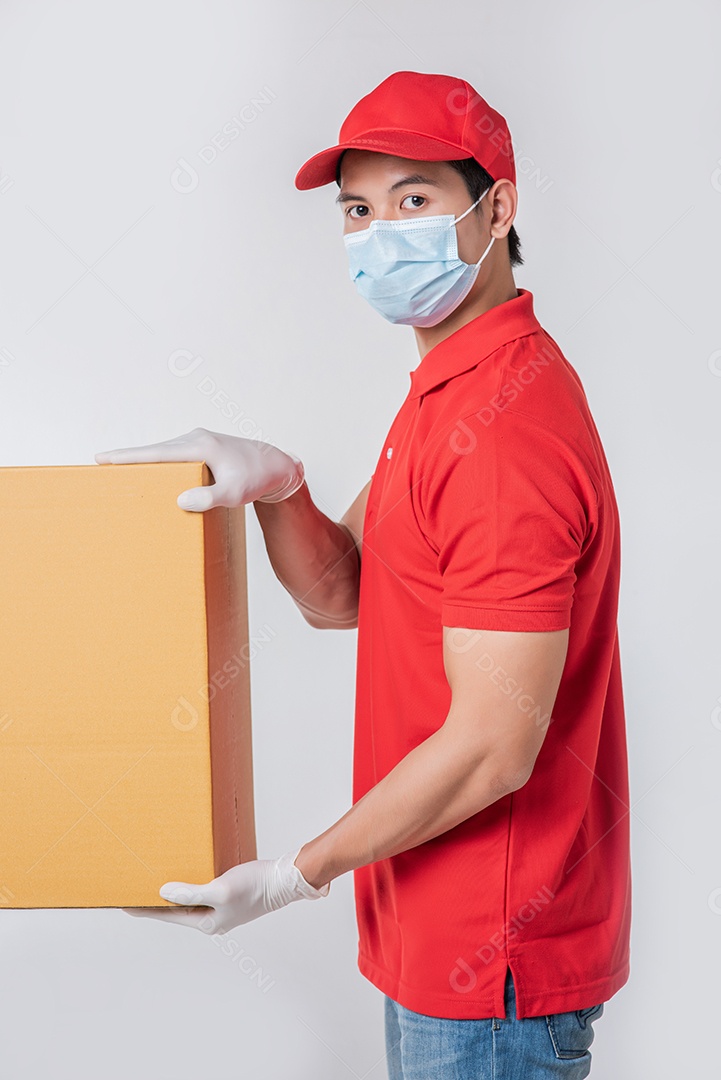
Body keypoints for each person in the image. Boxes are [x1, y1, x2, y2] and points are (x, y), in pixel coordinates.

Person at [95, 70, 631, 1080]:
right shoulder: (448, 391)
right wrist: (277, 484)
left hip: (493, 972)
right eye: (357, 208)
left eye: (414, 199)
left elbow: (491, 748)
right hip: (438, 947)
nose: (379, 232)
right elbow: (344, 595)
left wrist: (295, 878)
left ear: (498, 208)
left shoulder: (504, 436)